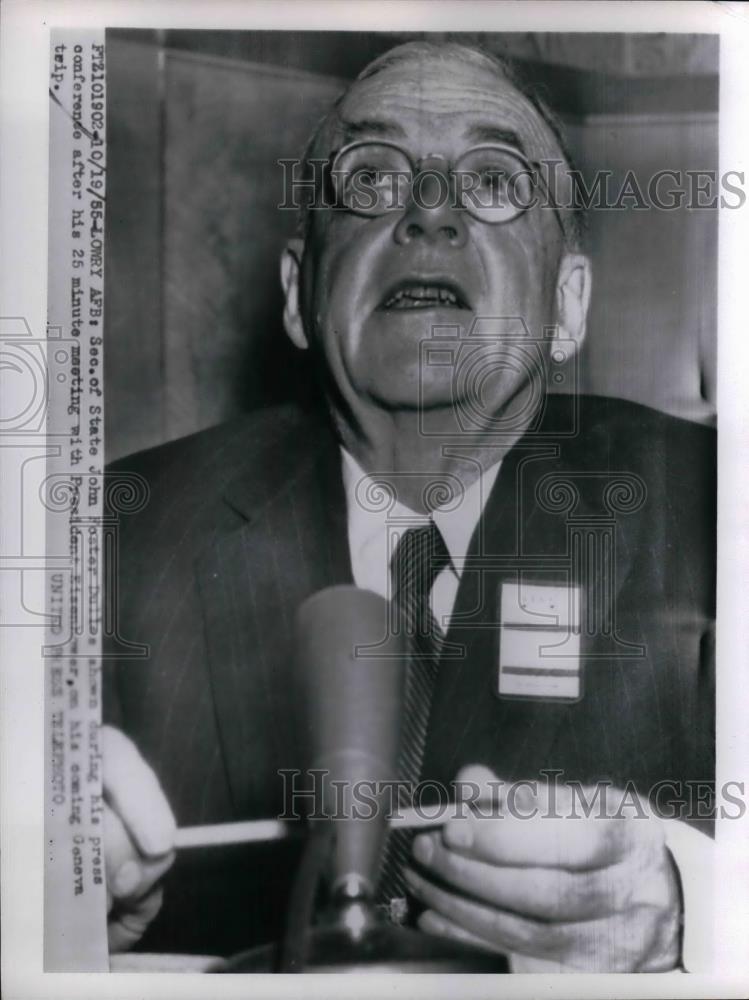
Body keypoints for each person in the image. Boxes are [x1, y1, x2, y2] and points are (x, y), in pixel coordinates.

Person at [102, 41, 715, 972]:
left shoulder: (713, 513)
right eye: (371, 179)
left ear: (567, 306)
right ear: (299, 295)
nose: (429, 211)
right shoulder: (114, 538)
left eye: (494, 181)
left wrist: (689, 907)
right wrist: (60, 912)